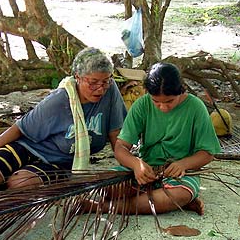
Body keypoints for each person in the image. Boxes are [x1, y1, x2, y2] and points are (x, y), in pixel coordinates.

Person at [0, 47, 127, 200]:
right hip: (26, 147)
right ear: (77, 77)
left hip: (60, 162)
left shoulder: (110, 92)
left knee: (19, 184)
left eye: (105, 81)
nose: (100, 88)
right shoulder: (59, 101)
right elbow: (18, 129)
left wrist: (129, 165)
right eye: (93, 82)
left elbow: (115, 135)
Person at [92, 62, 221, 216]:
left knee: (179, 194)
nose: (163, 107)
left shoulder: (195, 107)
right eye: (156, 102)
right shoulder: (142, 104)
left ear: (181, 91)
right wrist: (136, 164)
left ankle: (101, 207)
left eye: (169, 101)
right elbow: (121, 147)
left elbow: (207, 153)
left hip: (179, 176)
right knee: (103, 186)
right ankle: (173, 203)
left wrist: (183, 164)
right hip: (145, 172)